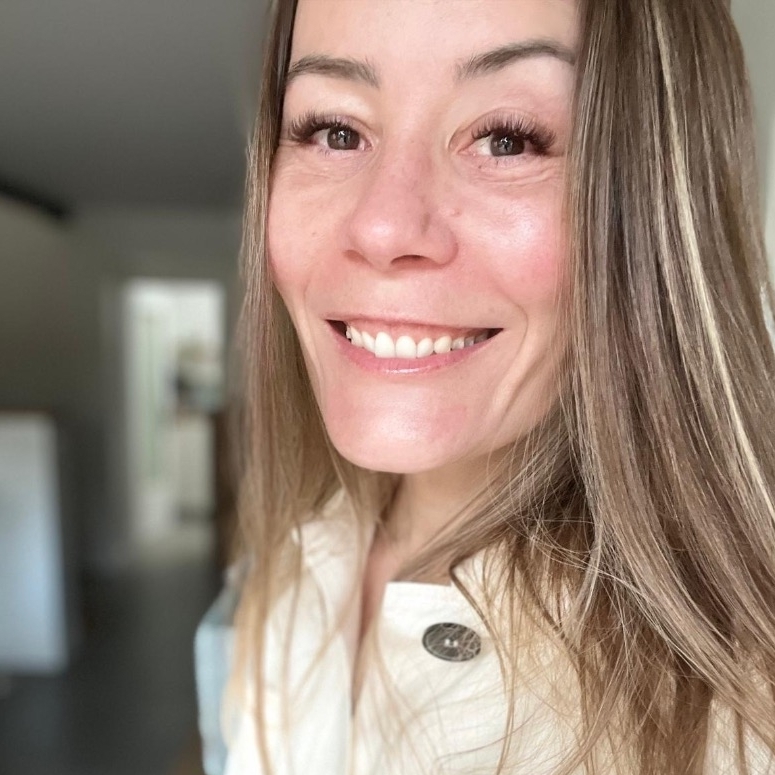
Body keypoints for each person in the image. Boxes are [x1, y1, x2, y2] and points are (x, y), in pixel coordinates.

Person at [223, 0, 775, 772]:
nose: (381, 228)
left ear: (654, 212)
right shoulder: (298, 559)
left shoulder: (739, 718)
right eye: (334, 130)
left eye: (506, 138)